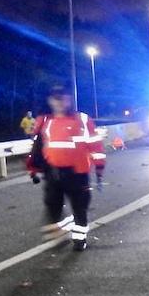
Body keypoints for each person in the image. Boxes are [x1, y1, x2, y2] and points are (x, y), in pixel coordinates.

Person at [25, 85, 106, 251]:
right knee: (52, 205)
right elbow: (36, 147)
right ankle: (60, 232)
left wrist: (99, 168)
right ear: (50, 101)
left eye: (63, 98)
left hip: (78, 174)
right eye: (56, 98)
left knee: (80, 207)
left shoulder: (82, 120)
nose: (59, 102)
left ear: (69, 100)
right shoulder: (44, 121)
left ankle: (79, 238)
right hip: (53, 173)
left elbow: (95, 146)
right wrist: (32, 168)